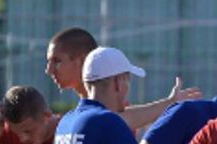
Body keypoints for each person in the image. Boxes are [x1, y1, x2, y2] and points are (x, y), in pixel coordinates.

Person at [44, 27, 201, 131]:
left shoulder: (110, 106)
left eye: (57, 61)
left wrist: (169, 103)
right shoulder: (77, 116)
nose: (49, 70)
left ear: (83, 60)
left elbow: (116, 120)